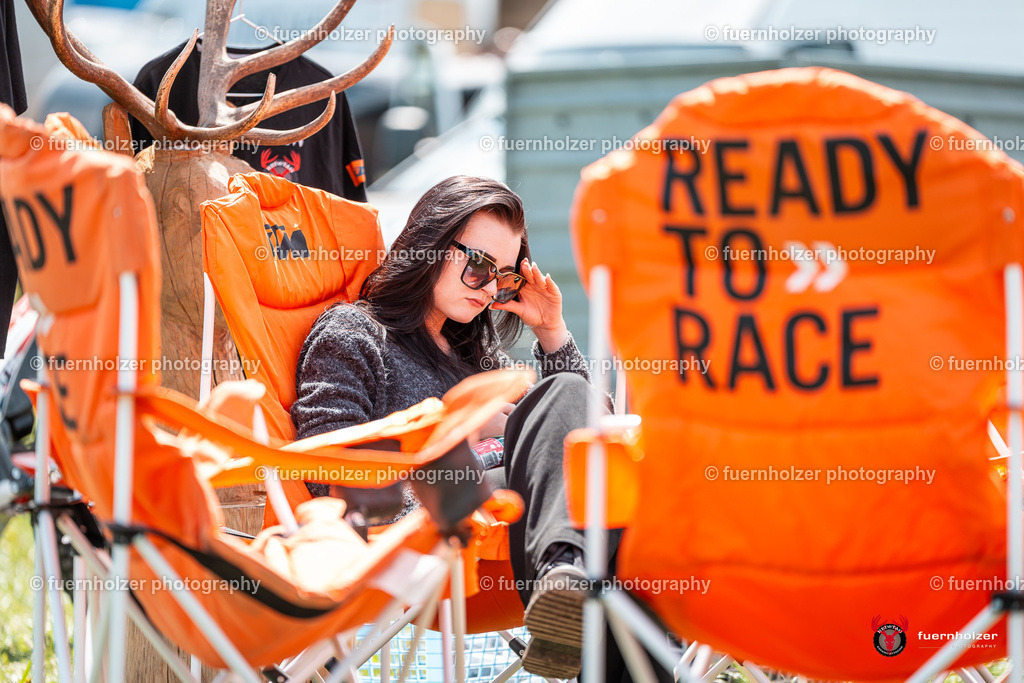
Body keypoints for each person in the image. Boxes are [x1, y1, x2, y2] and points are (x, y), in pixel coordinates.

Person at [291, 175, 667, 680]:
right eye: (481, 266)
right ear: (429, 245)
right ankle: (566, 573)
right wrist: (459, 427)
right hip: (432, 533)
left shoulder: (472, 353)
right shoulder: (354, 335)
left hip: (511, 533)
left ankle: (567, 582)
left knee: (617, 483)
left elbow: (592, 428)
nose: (491, 288)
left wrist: (551, 332)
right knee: (578, 439)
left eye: (505, 276)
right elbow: (328, 474)